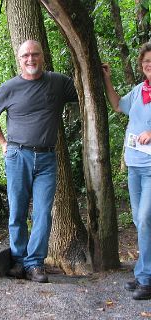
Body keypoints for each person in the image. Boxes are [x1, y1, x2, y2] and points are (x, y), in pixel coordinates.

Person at [0, 40, 78, 283]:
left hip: (47, 157)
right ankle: (18, 261)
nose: (30, 59)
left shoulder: (58, 83)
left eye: (35, 54)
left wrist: (97, 71)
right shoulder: (9, 88)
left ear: (42, 56)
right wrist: (3, 143)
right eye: (25, 55)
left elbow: (84, 88)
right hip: (18, 156)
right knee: (17, 210)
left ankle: (35, 264)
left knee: (43, 212)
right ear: (19, 59)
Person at [102, 42, 151, 300]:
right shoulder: (139, 91)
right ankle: (144, 271)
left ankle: (146, 279)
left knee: (145, 219)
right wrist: (107, 80)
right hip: (134, 164)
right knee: (139, 221)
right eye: (146, 63)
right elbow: (117, 105)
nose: (149, 66)